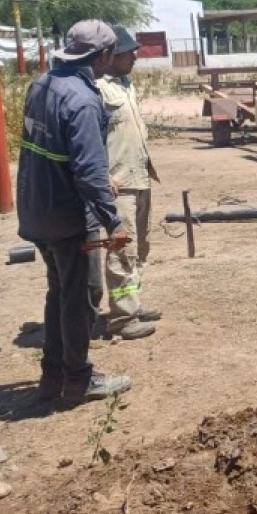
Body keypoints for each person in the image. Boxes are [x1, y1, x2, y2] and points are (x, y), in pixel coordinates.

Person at [16, 19, 133, 405]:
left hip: (37, 208)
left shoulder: (42, 84)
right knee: (84, 293)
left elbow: (57, 149)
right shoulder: (82, 99)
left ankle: (53, 377)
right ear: (103, 55)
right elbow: (87, 170)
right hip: (67, 215)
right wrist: (113, 221)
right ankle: (79, 380)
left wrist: (96, 176)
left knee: (59, 291)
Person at [92, 25, 161, 340]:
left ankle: (134, 304)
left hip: (140, 177)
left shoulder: (125, 85)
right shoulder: (98, 89)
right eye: (129, 53)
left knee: (140, 247)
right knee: (122, 250)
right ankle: (122, 318)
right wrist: (102, 175)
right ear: (111, 55)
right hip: (119, 184)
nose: (135, 57)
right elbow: (91, 138)